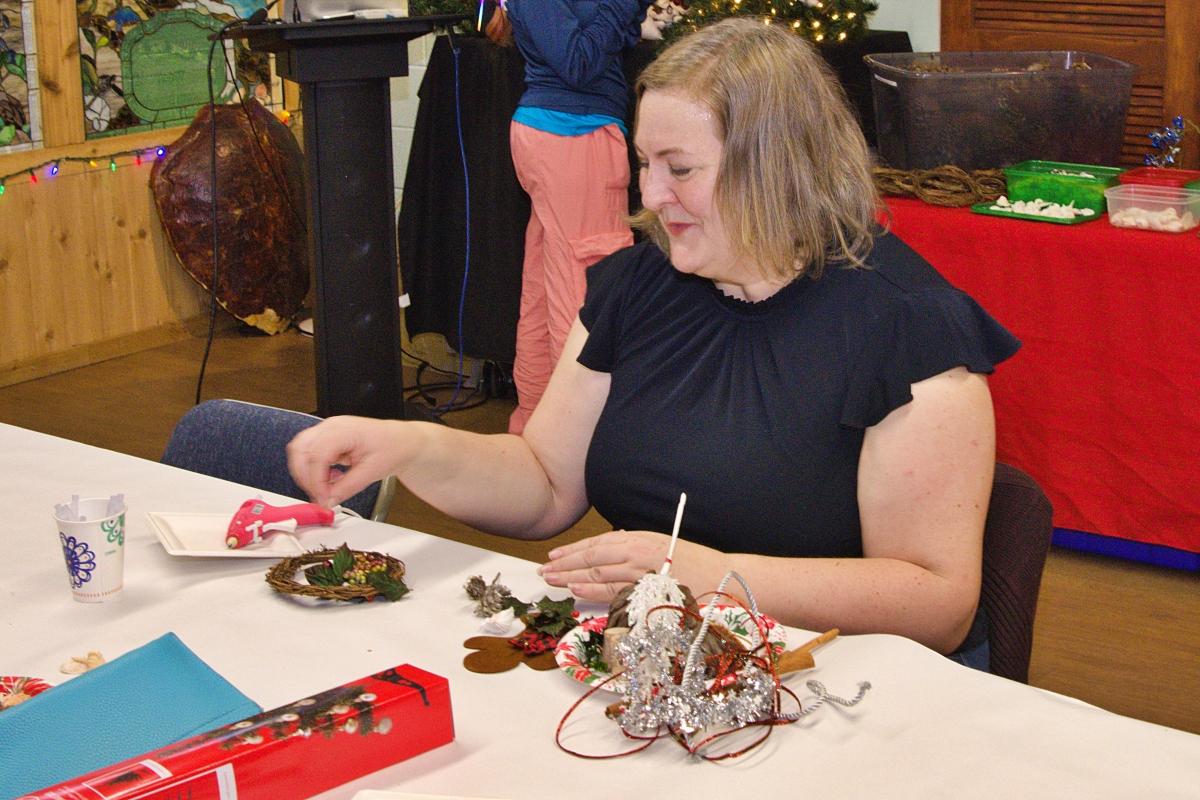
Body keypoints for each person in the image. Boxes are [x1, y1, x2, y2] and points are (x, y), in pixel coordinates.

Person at [288, 19, 1020, 669]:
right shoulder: (640, 283)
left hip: (842, 683)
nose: (651, 195)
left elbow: (936, 605)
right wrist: (411, 447)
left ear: (778, 164)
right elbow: (545, 484)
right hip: (668, 660)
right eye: (644, 163)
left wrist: (706, 576)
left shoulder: (908, 326)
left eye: (680, 168)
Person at [497, 0, 655, 434]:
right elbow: (578, 63)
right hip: (572, 135)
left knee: (545, 291)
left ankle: (535, 425)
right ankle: (579, 437)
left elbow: (619, 36)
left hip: (566, 132)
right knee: (589, 291)